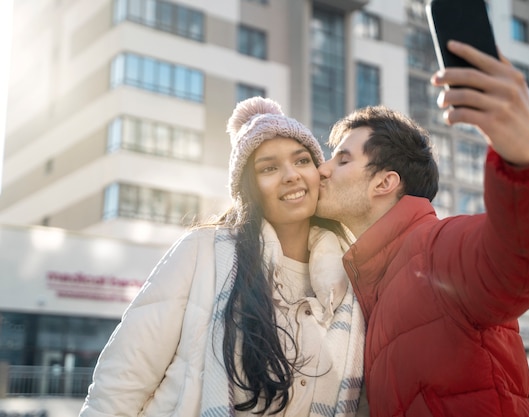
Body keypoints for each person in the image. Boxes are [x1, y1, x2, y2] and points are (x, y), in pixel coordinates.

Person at [315, 40, 529, 416]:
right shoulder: (367, 289)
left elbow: (528, 252)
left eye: (342, 160)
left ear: (384, 183)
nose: (323, 169)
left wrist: (528, 157)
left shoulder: (436, 252)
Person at [79, 97, 367, 417]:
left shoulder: (350, 277)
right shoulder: (203, 251)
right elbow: (120, 385)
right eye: (269, 168)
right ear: (248, 187)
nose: (290, 175)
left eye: (302, 161)